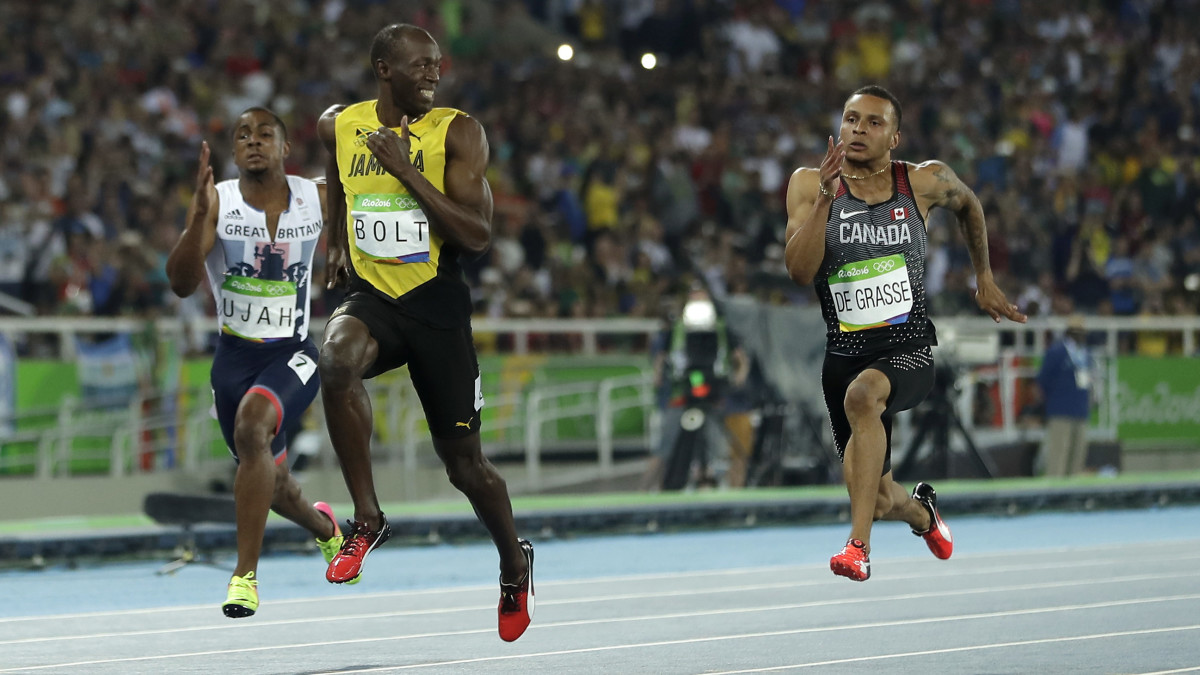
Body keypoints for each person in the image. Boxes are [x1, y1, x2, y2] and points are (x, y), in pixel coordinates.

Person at [316, 24, 533, 642]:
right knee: (335, 362)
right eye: (421, 65)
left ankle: (514, 563)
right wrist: (337, 240)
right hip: (374, 298)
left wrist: (407, 172)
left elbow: (478, 236)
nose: (434, 74)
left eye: (438, 64)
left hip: (436, 305)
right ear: (384, 69)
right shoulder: (339, 124)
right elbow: (336, 179)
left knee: (465, 467)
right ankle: (367, 518)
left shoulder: (457, 132)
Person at [783, 85, 1027, 581]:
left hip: (908, 348)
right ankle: (922, 514)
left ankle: (858, 549)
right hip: (844, 355)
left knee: (863, 396)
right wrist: (827, 198)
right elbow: (799, 272)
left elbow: (970, 205)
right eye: (851, 119)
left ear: (894, 137)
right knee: (875, 498)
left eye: (873, 122)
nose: (858, 129)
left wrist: (983, 277)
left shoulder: (923, 180)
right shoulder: (809, 183)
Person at [166, 107, 349, 618]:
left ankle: (243, 577)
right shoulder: (217, 202)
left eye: (265, 134)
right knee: (274, 484)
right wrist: (197, 220)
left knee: (252, 428)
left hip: (293, 353)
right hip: (233, 360)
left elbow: (358, 191)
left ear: (284, 148)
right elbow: (181, 283)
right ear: (233, 151)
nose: (253, 141)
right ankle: (326, 529)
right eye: (243, 135)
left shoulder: (315, 197)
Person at [642, 285, 750, 491]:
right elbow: (662, 356)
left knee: (718, 446)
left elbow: (739, 356)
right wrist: (658, 375)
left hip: (713, 393)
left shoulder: (720, 327)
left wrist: (739, 376)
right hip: (682, 394)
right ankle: (645, 492)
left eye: (703, 298)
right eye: (694, 298)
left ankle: (711, 479)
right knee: (666, 447)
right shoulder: (678, 327)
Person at [1036, 314, 1094, 477]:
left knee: (1077, 458)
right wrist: (1053, 400)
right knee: (1058, 458)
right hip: (1060, 411)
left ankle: (1073, 490)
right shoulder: (1056, 353)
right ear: (1069, 333)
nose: (1081, 336)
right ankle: (1054, 490)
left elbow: (1087, 381)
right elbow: (1043, 380)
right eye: (1078, 332)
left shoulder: (1086, 354)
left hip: (1080, 410)